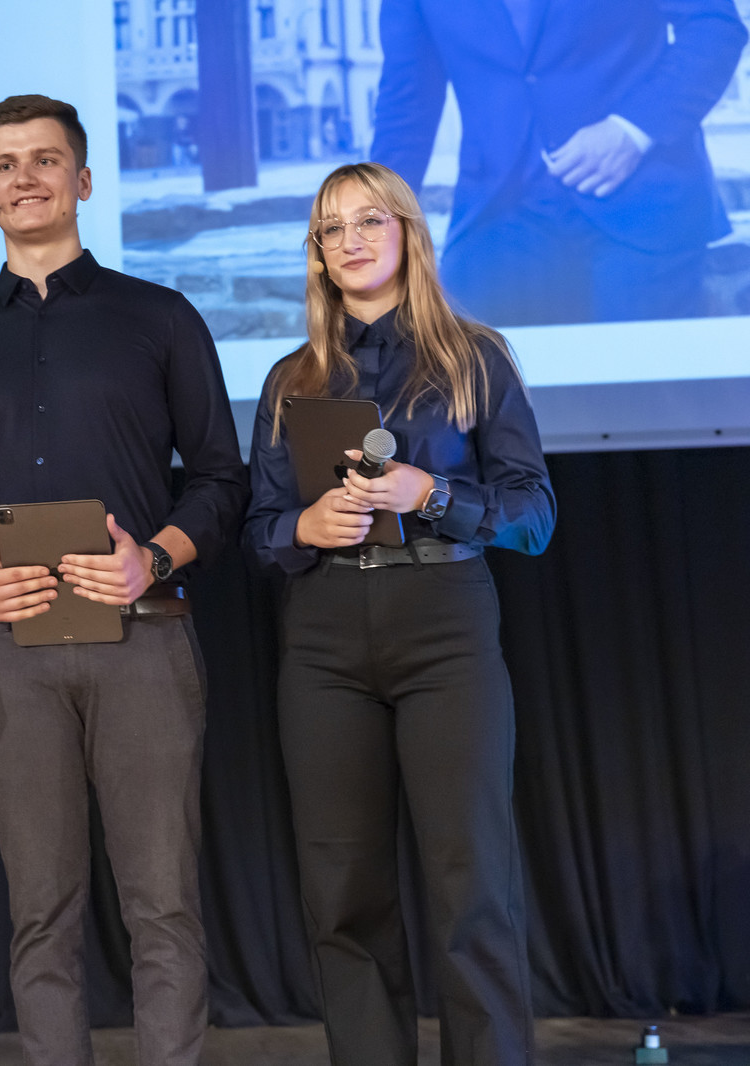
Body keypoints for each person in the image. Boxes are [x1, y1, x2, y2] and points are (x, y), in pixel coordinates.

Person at [0, 95, 249, 1066]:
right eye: (5, 164)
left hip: (144, 637)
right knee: (39, 912)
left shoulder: (160, 317)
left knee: (163, 904)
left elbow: (220, 479)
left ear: (84, 180)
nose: (25, 177)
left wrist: (155, 557)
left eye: (45, 159)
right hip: (11, 650)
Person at [243, 161, 556, 1065]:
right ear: (317, 253)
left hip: (443, 623)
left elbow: (534, 515)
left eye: (369, 220)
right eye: (331, 228)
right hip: (325, 637)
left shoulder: (474, 356)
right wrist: (302, 526)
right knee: (342, 892)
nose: (351, 241)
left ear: (408, 233)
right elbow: (261, 530)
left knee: (471, 884)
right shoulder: (291, 378)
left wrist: (433, 495)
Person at [372, 0, 747, 325]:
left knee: (640, 378)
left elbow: (713, 25)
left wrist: (632, 129)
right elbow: (408, 99)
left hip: (641, 197)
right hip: (497, 209)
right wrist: (376, 220)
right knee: (469, 374)